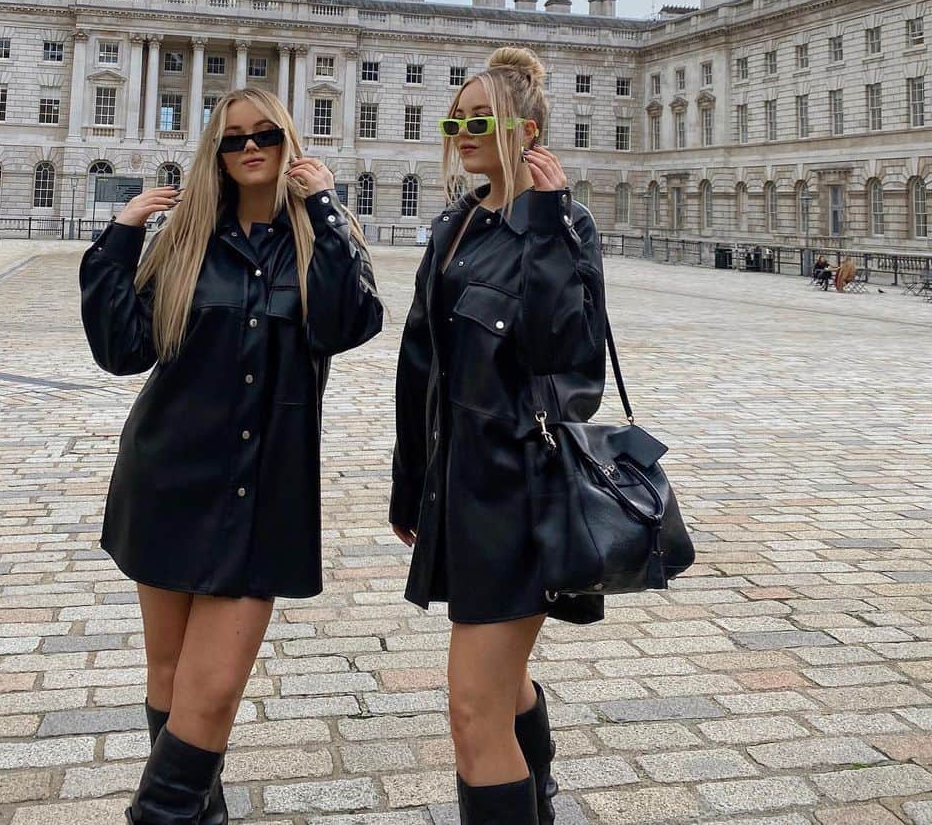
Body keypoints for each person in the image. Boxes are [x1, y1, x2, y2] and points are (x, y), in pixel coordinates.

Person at [80, 87, 382, 824]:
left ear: (289, 141)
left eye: (267, 135)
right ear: (215, 153)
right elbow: (122, 349)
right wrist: (120, 235)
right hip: (166, 479)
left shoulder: (317, 239)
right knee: (172, 673)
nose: (250, 148)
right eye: (232, 139)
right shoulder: (185, 241)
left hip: (261, 490)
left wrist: (326, 208)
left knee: (211, 693)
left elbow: (350, 321)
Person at [389, 47, 607, 825]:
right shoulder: (454, 225)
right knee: (502, 685)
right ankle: (537, 798)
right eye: (456, 118)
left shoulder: (564, 223)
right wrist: (408, 480)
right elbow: (422, 367)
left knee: (472, 710)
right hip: (458, 490)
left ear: (529, 127)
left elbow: (570, 365)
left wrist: (547, 227)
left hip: (519, 493)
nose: (461, 130)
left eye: (479, 117)